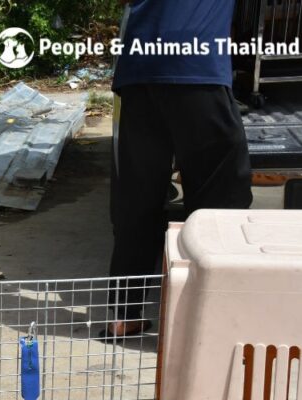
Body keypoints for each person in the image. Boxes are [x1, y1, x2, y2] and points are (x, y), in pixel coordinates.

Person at [106, 0, 253, 339]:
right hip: (197, 67)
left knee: (137, 199)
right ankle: (208, 319)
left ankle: (124, 316)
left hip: (138, 73)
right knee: (221, 196)